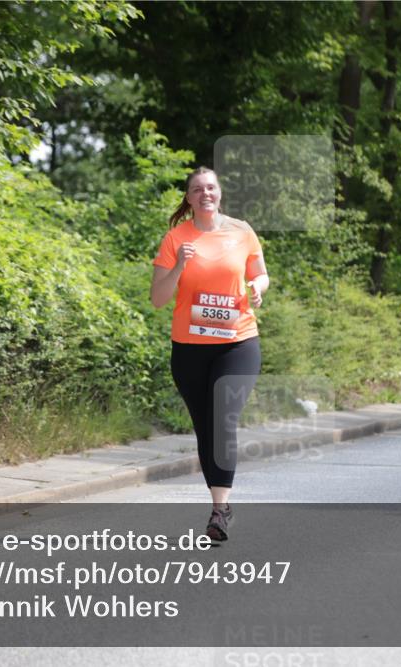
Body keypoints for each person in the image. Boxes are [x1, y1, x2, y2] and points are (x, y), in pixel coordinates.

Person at [150, 167, 269, 541]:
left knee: (223, 418)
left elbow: (261, 273)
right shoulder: (176, 238)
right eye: (197, 189)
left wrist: (257, 286)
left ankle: (219, 511)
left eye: (211, 187)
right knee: (206, 428)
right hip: (189, 348)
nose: (205, 193)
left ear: (220, 193)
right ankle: (222, 505)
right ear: (188, 198)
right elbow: (157, 299)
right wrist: (181, 266)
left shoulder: (242, 231)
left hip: (238, 342)